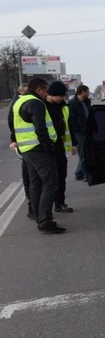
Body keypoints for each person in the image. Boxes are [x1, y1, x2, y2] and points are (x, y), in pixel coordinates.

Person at [11, 77, 64, 233]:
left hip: (26, 149)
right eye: (45, 90)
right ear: (40, 89)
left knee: (35, 183)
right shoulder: (36, 103)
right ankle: (45, 221)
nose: (46, 93)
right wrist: (49, 148)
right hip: (38, 149)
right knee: (51, 183)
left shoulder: (19, 102)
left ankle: (37, 215)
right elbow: (41, 129)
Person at [44, 81, 77, 213]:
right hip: (44, 146)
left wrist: (73, 144)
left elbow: (70, 125)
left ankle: (60, 203)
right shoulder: (41, 106)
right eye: (60, 96)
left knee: (61, 175)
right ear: (52, 94)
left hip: (59, 146)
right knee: (47, 178)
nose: (63, 98)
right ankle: (42, 207)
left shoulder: (64, 107)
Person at [7, 83, 33, 218]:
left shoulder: (25, 101)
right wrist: (14, 139)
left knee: (30, 170)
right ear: (20, 91)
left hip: (27, 142)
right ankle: (30, 197)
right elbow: (12, 122)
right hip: (25, 143)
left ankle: (31, 198)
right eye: (26, 91)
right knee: (28, 171)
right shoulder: (17, 103)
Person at [67, 85, 91, 181]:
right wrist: (76, 130)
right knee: (83, 153)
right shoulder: (72, 103)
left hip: (87, 130)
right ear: (82, 92)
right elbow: (71, 119)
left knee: (85, 153)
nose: (88, 93)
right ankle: (85, 174)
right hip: (79, 132)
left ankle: (78, 173)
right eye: (87, 91)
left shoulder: (86, 102)